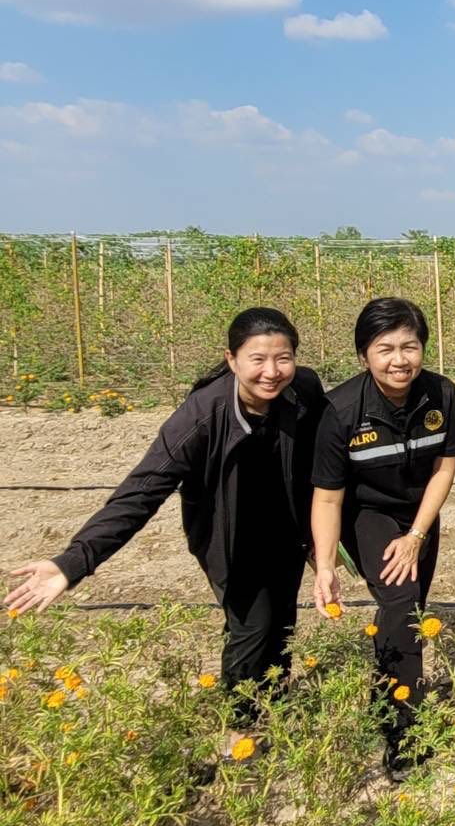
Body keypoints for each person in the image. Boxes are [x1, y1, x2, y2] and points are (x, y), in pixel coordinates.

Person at [5, 308, 325, 749]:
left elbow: (323, 454)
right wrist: (72, 562)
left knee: (282, 618)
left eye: (283, 358)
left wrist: (320, 535)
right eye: (258, 359)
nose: (272, 372)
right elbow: (141, 492)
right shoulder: (201, 416)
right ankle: (242, 730)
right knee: (251, 626)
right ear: (231, 359)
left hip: (286, 529)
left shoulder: (303, 389)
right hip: (228, 537)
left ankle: (273, 694)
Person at [310, 298, 455, 781]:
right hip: (366, 513)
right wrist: (328, 563)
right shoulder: (339, 409)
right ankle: (405, 735)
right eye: (385, 349)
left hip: (419, 513)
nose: (400, 360)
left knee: (407, 609)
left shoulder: (442, 394)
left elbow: (445, 467)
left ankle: (385, 691)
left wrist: (417, 532)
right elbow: (328, 499)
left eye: (410, 347)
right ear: (364, 356)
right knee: (401, 600)